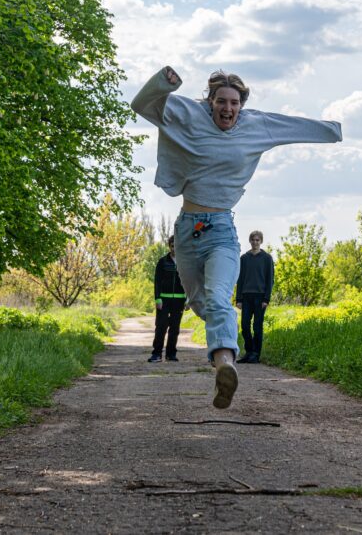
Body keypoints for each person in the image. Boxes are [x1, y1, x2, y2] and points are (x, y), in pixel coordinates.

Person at [131, 66, 341, 408]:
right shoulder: (190, 115)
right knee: (199, 302)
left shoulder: (255, 127)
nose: (227, 109)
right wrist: (162, 83)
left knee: (217, 297)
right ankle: (222, 361)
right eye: (221, 101)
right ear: (210, 101)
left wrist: (334, 130)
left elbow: (292, 126)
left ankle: (225, 363)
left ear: (242, 106)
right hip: (187, 230)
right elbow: (143, 105)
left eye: (234, 103)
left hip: (222, 232)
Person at [236, 230, 274, 364]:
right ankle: (249, 352)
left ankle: (256, 355)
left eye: (257, 240)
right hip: (246, 296)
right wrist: (238, 299)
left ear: (261, 241)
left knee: (257, 326)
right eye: (253, 240)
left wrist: (266, 299)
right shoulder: (244, 258)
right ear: (250, 241)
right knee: (245, 325)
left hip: (260, 297)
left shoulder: (267, 258)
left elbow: (270, 280)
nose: (255, 242)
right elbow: (239, 280)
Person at [149, 235, 186, 363]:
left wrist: (188, 299)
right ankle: (157, 354)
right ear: (169, 246)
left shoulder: (185, 263)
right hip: (164, 300)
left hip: (179, 300)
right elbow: (157, 282)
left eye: (176, 245)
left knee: (175, 328)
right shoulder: (162, 261)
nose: (174, 248)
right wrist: (157, 299)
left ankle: (171, 354)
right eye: (172, 245)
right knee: (161, 327)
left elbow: (190, 282)